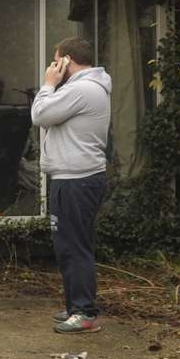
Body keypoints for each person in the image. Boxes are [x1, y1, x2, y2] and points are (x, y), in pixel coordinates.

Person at [30, 37, 111, 334]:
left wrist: (49, 83)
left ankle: (84, 312)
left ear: (66, 61)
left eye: (56, 61)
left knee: (74, 247)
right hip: (72, 177)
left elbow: (39, 115)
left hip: (77, 180)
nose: (53, 67)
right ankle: (75, 305)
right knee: (68, 246)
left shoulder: (83, 89)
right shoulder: (82, 89)